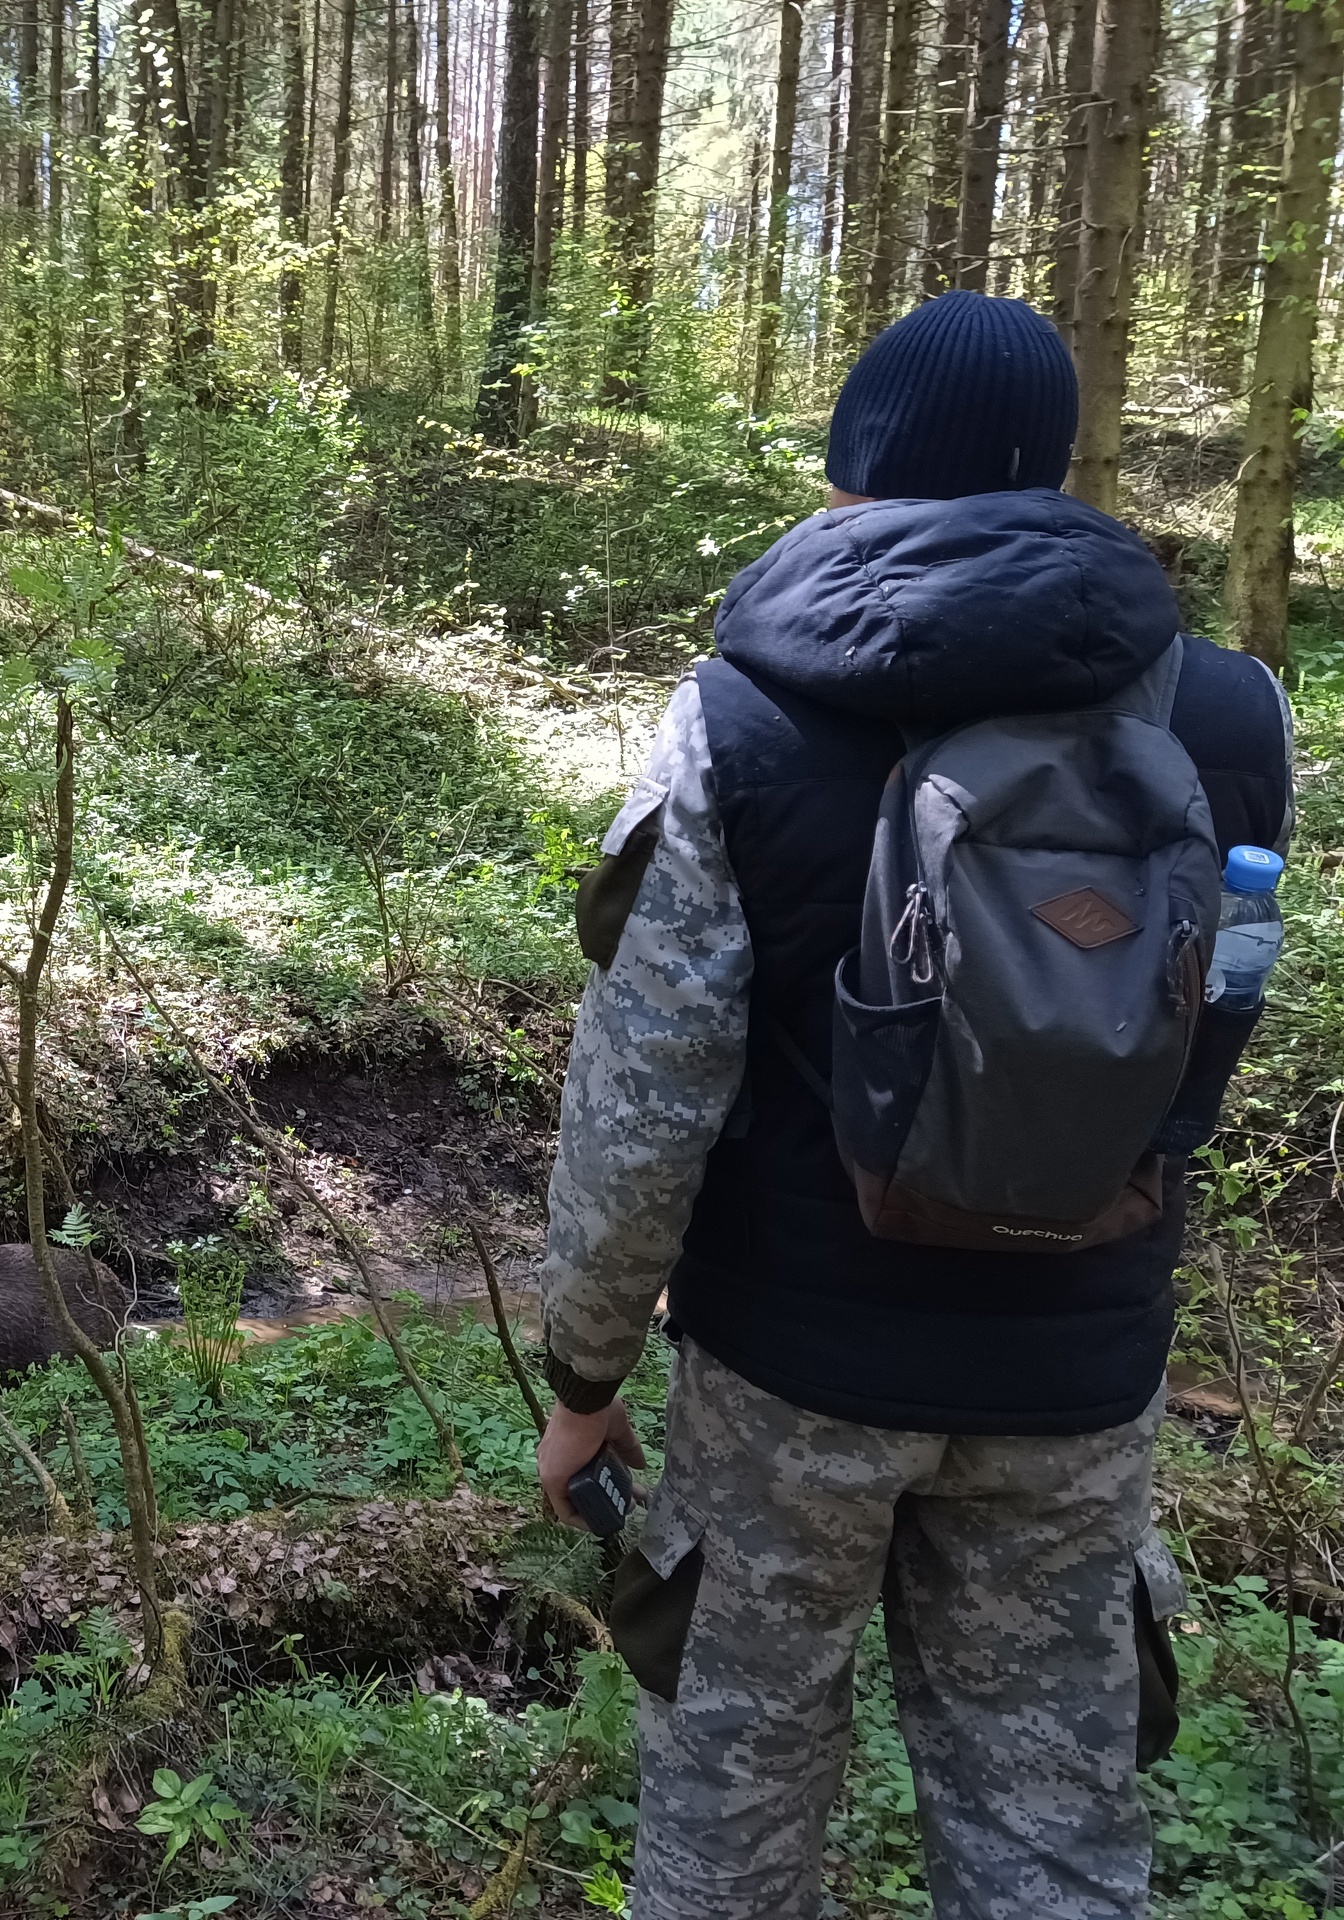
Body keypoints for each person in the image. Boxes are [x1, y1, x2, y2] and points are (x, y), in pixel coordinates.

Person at [532, 291, 1295, 1920]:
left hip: (789, 1383)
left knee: (732, 1810)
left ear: (857, 464)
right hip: (1078, 1372)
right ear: (1051, 468)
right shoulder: (1230, 715)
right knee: (1049, 1828)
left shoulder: (740, 710)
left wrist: (585, 1371)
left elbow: (647, 1089)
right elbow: (1211, 1028)